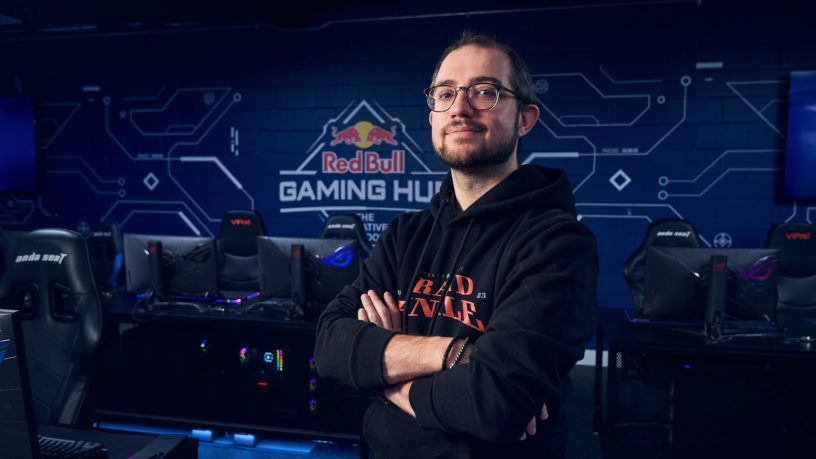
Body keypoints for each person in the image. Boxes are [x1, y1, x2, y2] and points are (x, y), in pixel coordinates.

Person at [314, 31, 598, 458]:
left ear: (524, 119)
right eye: (446, 93)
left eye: (485, 91)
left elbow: (496, 403)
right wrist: (455, 353)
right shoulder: (405, 236)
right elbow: (330, 345)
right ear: (432, 116)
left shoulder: (557, 243)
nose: (460, 108)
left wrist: (384, 378)